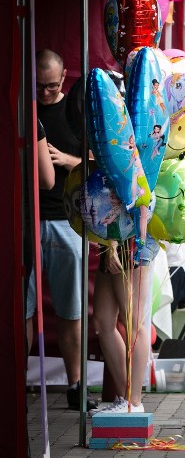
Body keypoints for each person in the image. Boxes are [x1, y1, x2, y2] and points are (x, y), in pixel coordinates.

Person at [24, 49, 92, 411]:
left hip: (68, 222)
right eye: (39, 87)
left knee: (72, 311)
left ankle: (75, 385)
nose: (46, 93)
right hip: (28, 222)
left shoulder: (75, 112)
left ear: (65, 76)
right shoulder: (25, 110)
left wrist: (69, 161)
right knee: (23, 309)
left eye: (52, 86)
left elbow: (102, 161)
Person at [89, 239, 158, 414]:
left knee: (133, 320)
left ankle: (133, 402)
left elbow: (130, 211)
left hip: (130, 239)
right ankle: (125, 398)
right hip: (111, 240)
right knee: (102, 321)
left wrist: (113, 244)